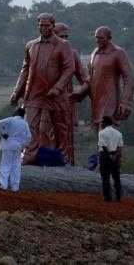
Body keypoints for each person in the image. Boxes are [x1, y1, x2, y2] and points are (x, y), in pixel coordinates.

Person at [9, 13, 74, 164]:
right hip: (34, 93)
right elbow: (25, 70)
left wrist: (58, 88)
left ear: (53, 25)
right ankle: (29, 155)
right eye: (41, 25)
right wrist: (16, 92)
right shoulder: (31, 45)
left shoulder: (63, 45)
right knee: (30, 125)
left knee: (60, 127)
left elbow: (69, 69)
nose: (43, 28)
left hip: (55, 95)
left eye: (47, 25)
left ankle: (62, 156)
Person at [73, 26, 134, 132]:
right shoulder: (94, 53)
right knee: (100, 137)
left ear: (109, 38)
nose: (98, 41)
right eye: (96, 38)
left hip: (111, 103)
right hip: (96, 103)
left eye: (101, 38)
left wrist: (125, 102)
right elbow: (90, 79)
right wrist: (78, 94)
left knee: (107, 135)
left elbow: (129, 78)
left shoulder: (118, 53)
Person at [53, 22, 87, 165]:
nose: (65, 39)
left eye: (67, 36)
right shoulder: (42, 50)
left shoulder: (72, 53)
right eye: (62, 36)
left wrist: (78, 94)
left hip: (65, 103)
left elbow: (85, 79)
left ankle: (66, 165)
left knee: (66, 139)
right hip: (46, 101)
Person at [0, 108, 32, 192]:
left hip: (8, 145)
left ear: (17, 113)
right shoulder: (25, 124)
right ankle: (15, 187)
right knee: (16, 166)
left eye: (14, 111)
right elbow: (29, 137)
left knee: (5, 164)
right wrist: (23, 145)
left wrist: (3, 133)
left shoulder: (11, 120)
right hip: (18, 147)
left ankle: (3, 185)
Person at [97, 116, 124, 202]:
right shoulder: (118, 133)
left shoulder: (102, 133)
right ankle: (118, 197)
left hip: (105, 156)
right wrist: (115, 156)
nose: (101, 124)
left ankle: (107, 197)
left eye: (102, 122)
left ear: (104, 123)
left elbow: (103, 146)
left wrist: (109, 156)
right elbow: (120, 147)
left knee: (105, 178)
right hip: (116, 156)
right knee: (116, 178)